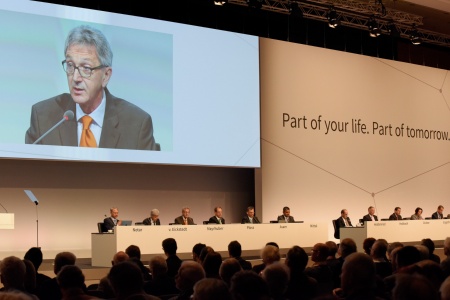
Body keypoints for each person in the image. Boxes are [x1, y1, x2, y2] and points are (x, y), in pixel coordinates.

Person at [25, 25, 158, 150]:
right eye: (70, 65)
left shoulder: (137, 124)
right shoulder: (43, 118)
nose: (75, 78)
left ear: (106, 75)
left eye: (86, 68)